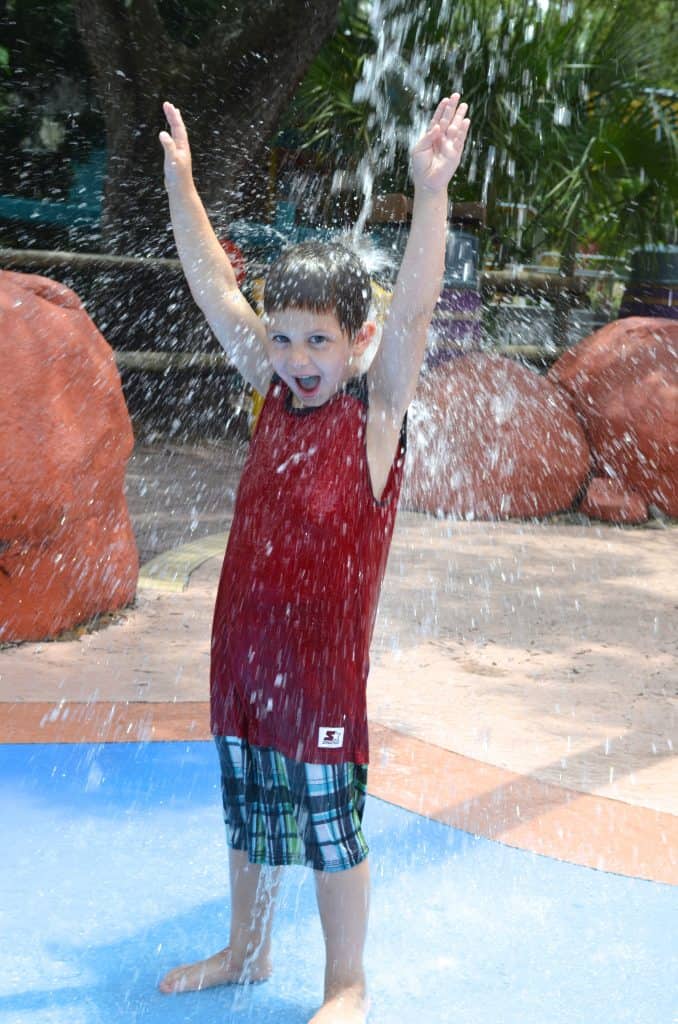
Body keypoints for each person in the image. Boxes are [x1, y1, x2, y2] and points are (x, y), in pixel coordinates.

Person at [157, 92, 470, 1024]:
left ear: (356, 342)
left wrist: (430, 195)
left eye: (318, 341)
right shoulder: (268, 396)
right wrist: (184, 186)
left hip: (323, 676)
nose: (295, 357)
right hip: (245, 655)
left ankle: (346, 984)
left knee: (333, 833)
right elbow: (215, 285)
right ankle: (245, 952)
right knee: (250, 813)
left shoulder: (374, 421)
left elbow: (414, 311)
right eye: (284, 337)